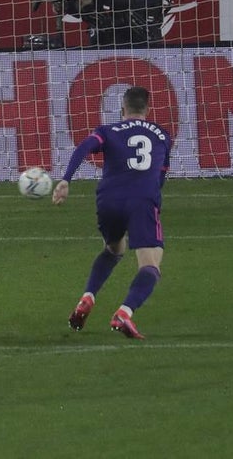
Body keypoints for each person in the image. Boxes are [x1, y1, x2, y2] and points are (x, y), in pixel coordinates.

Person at [54, 86, 172, 339]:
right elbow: (161, 176)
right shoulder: (162, 135)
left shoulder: (108, 131)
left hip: (108, 199)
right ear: (147, 110)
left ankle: (88, 296)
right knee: (151, 265)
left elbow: (84, 147)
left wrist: (65, 180)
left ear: (123, 109)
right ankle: (124, 313)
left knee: (114, 249)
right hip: (142, 201)